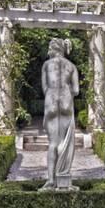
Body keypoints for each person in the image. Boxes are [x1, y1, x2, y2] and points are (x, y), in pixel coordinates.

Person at [40, 38, 79, 190]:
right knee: (64, 142)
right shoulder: (71, 66)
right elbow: (76, 91)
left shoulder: (46, 65)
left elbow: (44, 88)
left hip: (51, 100)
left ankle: (50, 181)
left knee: (53, 143)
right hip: (66, 101)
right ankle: (63, 179)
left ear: (53, 49)